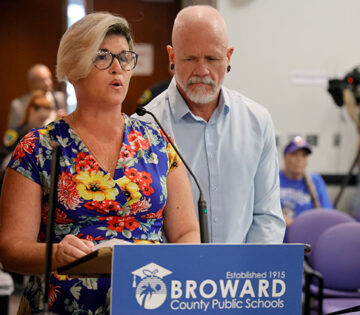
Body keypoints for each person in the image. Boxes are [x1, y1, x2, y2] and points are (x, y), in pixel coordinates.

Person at [0, 12, 200, 314]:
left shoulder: (158, 143)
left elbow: (186, 233)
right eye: (102, 57)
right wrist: (56, 254)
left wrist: (171, 278)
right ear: (73, 66)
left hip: (149, 301)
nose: (117, 67)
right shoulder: (38, 147)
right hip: (62, 305)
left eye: (124, 57)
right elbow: (11, 249)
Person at [133, 5, 285, 243]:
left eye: (212, 58)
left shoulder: (258, 121)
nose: (202, 70)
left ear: (228, 57)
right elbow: (142, 221)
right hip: (174, 274)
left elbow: (267, 216)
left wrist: (246, 275)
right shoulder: (144, 127)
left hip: (241, 276)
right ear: (172, 57)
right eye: (190, 58)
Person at [279, 136, 333, 227]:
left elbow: (327, 214)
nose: (299, 159)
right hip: (278, 235)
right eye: (294, 154)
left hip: (305, 233)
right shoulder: (273, 178)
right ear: (285, 157)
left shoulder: (315, 180)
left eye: (304, 155)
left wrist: (294, 223)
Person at [7, 64, 67, 129]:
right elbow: (12, 134)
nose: (48, 83)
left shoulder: (60, 98)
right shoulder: (18, 105)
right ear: (31, 83)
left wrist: (66, 119)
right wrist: (31, 124)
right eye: (42, 80)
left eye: (49, 78)